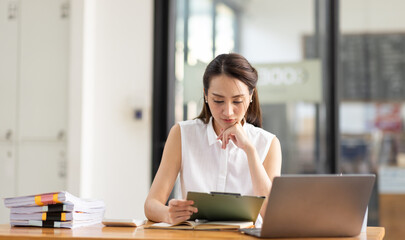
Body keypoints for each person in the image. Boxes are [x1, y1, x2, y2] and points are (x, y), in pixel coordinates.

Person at [144, 53, 282, 226]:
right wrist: (167, 214)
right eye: (218, 100)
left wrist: (250, 150)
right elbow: (151, 205)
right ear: (206, 96)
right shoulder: (182, 134)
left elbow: (272, 216)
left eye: (237, 101)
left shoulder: (268, 143)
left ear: (251, 96)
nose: (228, 111)